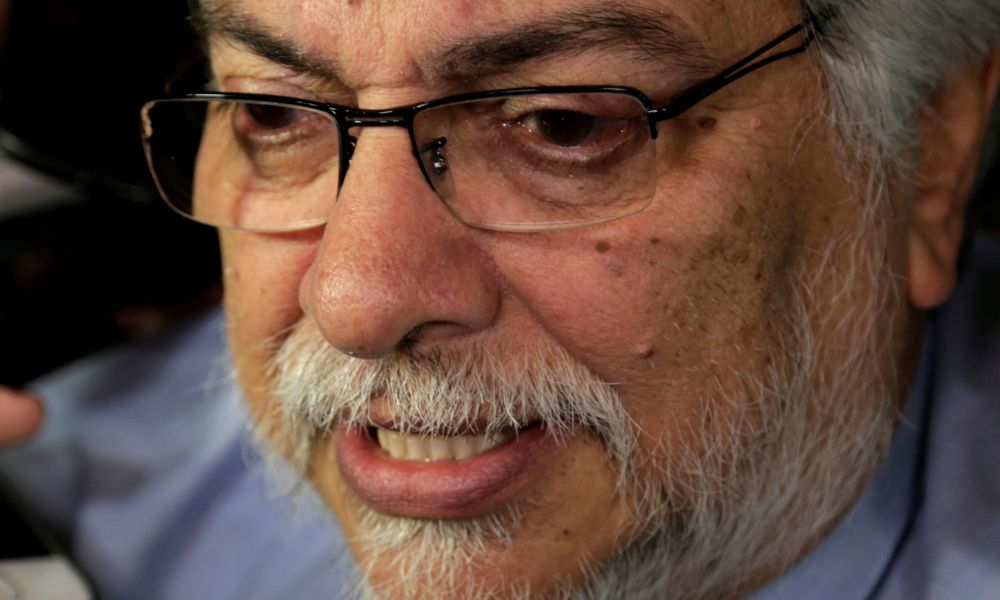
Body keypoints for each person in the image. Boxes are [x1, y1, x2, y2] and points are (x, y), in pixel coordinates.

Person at [5, 0, 1000, 598]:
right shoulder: (55, 509)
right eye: (273, 113)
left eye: (563, 125)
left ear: (928, 149)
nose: (355, 303)